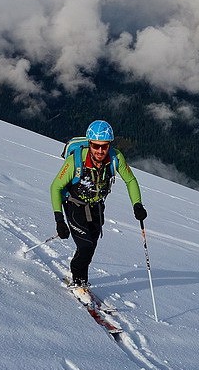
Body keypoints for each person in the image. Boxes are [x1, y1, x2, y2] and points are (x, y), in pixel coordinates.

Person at [49, 119, 147, 287]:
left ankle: (80, 275)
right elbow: (56, 187)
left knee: (91, 246)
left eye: (104, 146)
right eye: (96, 146)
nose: (100, 150)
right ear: (89, 143)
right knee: (86, 245)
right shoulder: (76, 161)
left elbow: (130, 180)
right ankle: (79, 280)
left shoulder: (116, 157)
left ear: (110, 145)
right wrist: (59, 220)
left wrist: (137, 204)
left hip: (97, 207)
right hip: (74, 205)